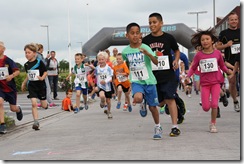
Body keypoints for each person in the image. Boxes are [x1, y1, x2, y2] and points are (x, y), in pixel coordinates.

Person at [185, 28, 232, 133]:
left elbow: (222, 66)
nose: (205, 41)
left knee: (214, 104)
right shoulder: (199, 55)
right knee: (206, 107)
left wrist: (228, 71)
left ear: (212, 41)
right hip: (205, 84)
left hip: (215, 82)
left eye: (207, 39)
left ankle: (213, 123)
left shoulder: (217, 53)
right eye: (203, 40)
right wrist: (188, 76)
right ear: (200, 42)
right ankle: (213, 106)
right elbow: (193, 67)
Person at [142, 13, 180, 137]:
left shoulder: (169, 38)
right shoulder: (146, 40)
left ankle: (175, 127)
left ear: (161, 23)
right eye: (150, 23)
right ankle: (172, 100)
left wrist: (176, 60)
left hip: (168, 74)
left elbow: (176, 50)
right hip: (153, 76)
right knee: (158, 102)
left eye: (154, 22)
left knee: (170, 98)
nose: (152, 25)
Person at [122, 22, 162, 140]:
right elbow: (127, 63)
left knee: (153, 107)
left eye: (137, 33)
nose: (135, 36)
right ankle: (142, 101)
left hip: (149, 81)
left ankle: (157, 126)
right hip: (136, 81)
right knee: (138, 98)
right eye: (132, 33)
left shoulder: (145, 47)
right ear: (127, 35)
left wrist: (148, 54)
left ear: (141, 35)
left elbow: (156, 62)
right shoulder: (125, 51)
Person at [216, 12, 240, 112]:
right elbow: (217, 46)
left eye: (235, 19)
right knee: (232, 82)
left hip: (241, 59)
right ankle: (235, 101)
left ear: (238, 20)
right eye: (232, 20)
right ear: (228, 21)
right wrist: (226, 45)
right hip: (230, 61)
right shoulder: (224, 33)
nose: (234, 21)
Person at [21, 43, 48, 130]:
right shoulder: (26, 65)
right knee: (34, 103)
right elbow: (28, 75)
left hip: (40, 86)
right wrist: (24, 83)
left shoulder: (39, 62)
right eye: (25, 53)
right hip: (32, 86)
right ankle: (36, 122)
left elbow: (45, 72)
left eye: (29, 52)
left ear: (34, 53)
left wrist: (42, 78)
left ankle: (46, 104)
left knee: (44, 105)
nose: (27, 54)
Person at [0, 41, 23, 134]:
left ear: (3, 49)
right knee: (0, 102)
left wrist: (11, 76)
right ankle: (2, 124)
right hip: (0, 88)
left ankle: (18, 109)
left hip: (10, 88)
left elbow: (17, 71)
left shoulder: (8, 60)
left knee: (12, 108)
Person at [95, 51, 114, 119]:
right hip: (100, 86)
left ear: (106, 59)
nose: (101, 61)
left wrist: (105, 81)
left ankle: (109, 111)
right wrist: (96, 85)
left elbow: (111, 78)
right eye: (99, 59)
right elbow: (96, 77)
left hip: (107, 86)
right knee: (102, 95)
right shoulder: (97, 68)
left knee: (108, 101)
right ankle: (102, 101)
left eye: (102, 59)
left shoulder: (109, 68)